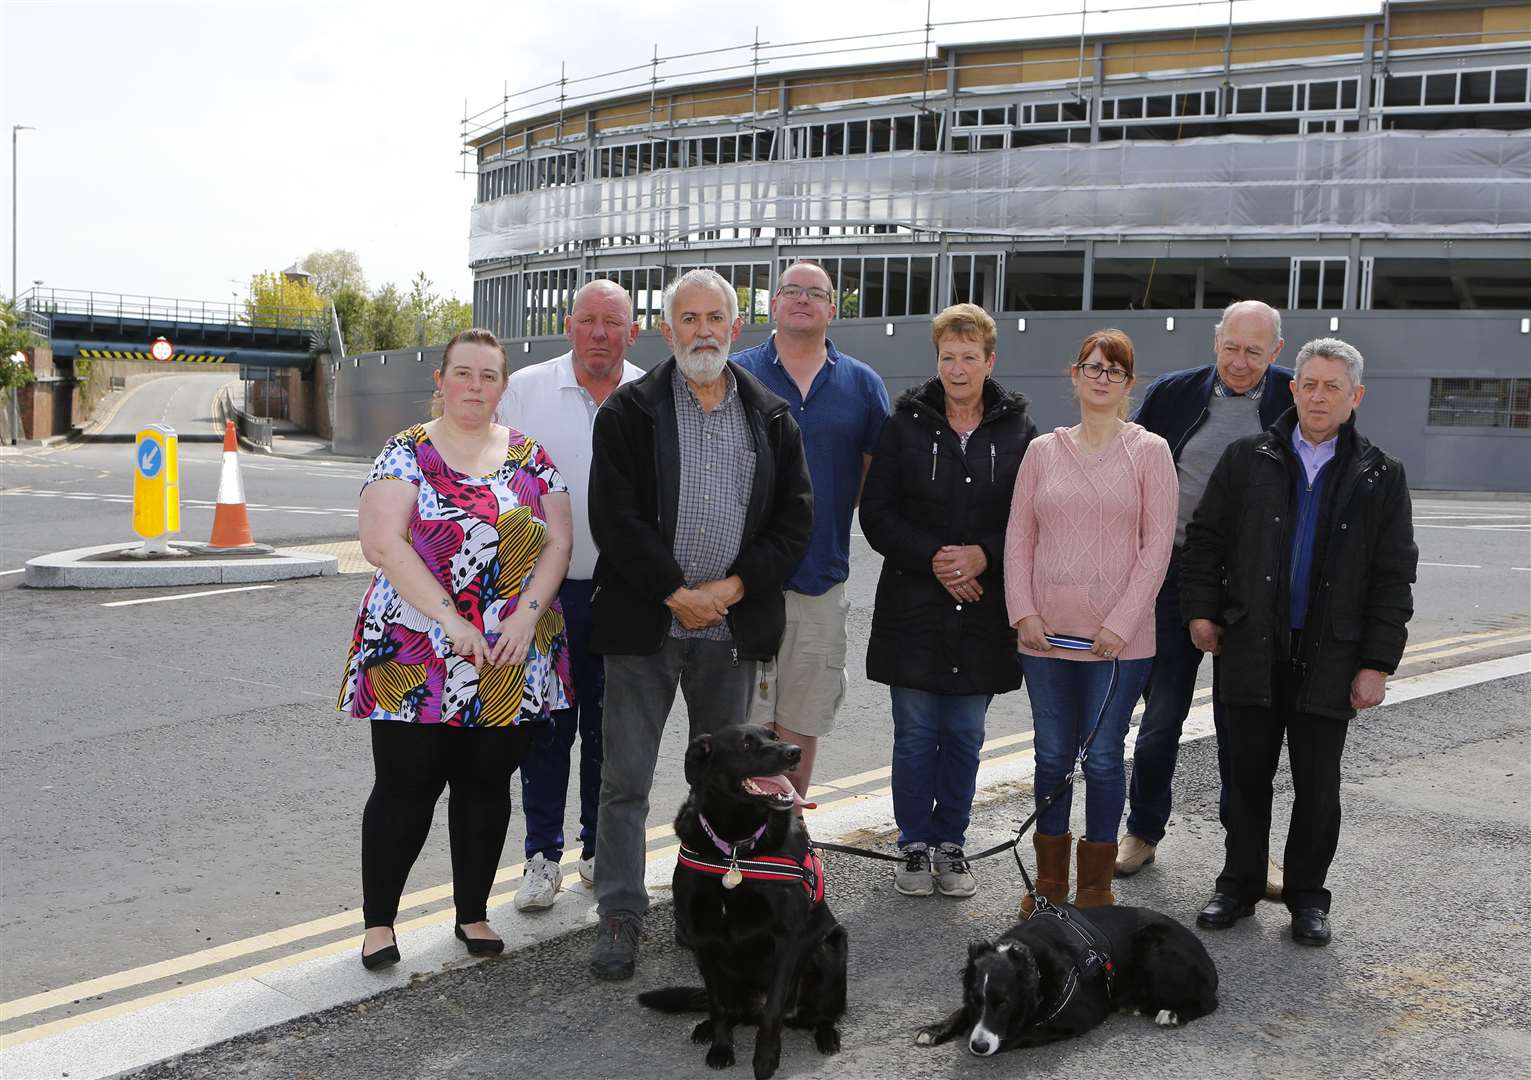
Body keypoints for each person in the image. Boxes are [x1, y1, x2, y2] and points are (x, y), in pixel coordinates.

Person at [585, 268, 813, 980]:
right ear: (666, 329)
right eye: (688, 319)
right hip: (647, 629)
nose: (702, 331)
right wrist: (677, 593)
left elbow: (794, 519)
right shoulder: (629, 411)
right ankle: (621, 915)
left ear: (735, 328)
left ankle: (707, 909)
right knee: (624, 782)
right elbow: (614, 521)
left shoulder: (771, 416)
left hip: (730, 633)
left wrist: (735, 587)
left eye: (715, 317)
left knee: (727, 786)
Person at [340, 328, 574, 969]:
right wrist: (451, 621)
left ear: (504, 386)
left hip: (507, 650)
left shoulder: (532, 456)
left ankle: (472, 912)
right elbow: (384, 544)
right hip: (416, 646)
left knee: (485, 784)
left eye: (489, 376)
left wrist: (526, 618)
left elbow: (557, 542)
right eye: (462, 374)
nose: (475, 386)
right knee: (405, 787)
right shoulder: (405, 453)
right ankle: (380, 925)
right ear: (439, 381)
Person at [1182, 338, 1417, 946]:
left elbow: (1394, 576)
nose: (1318, 395)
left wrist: (1376, 664)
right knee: (1244, 779)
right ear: (1293, 388)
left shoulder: (1380, 475)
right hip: (1250, 646)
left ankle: (1308, 897)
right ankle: (1238, 885)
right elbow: (1205, 542)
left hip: (1330, 657)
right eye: (1309, 383)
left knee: (1318, 789)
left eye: (1332, 387)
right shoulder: (1245, 458)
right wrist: (1202, 612)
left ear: (1355, 397)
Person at [1116, 299, 1295, 899]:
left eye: (1254, 351)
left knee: (1245, 723)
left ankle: (1251, 852)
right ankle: (1141, 831)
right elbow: (1128, 464)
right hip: (1172, 575)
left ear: (1274, 352)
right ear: (1215, 342)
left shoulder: (1294, 399)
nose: (1240, 362)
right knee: (1161, 716)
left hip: (1254, 585)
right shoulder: (1173, 394)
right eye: (1230, 347)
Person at [860, 303, 1036, 900]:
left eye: (969, 357)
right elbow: (876, 514)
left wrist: (983, 555)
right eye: (947, 357)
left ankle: (951, 843)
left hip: (984, 607)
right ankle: (913, 843)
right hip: (914, 604)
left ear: (990, 361)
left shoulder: (1018, 432)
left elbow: (1030, 516)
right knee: (913, 732)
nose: (957, 369)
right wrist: (935, 556)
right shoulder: (905, 423)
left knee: (964, 732)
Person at [1004, 329, 1177, 912]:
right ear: (1073, 375)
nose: (1101, 378)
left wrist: (1121, 624)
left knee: (1103, 756)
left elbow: (1157, 549)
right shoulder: (1041, 451)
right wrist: (1022, 611)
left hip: (1117, 645)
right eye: (1092, 367)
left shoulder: (1150, 451)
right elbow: (1018, 540)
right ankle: (1051, 885)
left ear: (1129, 384)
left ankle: (1096, 889)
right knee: (1052, 756)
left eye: (1115, 370)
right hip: (1044, 637)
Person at [495, 279, 645, 912]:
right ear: (568, 324)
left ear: (632, 331)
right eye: (588, 321)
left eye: (613, 323)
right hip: (544, 597)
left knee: (611, 731)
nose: (600, 335)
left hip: (625, 594)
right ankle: (541, 857)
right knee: (547, 729)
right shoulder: (523, 391)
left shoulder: (651, 395)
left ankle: (596, 851)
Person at [734, 260, 891, 796]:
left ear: (831, 309)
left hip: (820, 578)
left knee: (802, 719)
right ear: (774, 304)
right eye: (791, 291)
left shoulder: (863, 386)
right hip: (744, 582)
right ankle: (745, 849)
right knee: (746, 728)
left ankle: (790, 844)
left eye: (815, 293)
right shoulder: (735, 375)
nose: (802, 300)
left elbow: (876, 478)